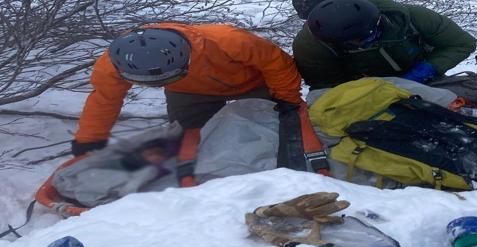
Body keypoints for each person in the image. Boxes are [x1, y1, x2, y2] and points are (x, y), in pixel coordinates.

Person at [72, 24, 304, 157]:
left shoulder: (227, 40)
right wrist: (89, 140)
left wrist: (286, 99)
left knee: (272, 125)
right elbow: (104, 100)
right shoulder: (115, 64)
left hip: (251, 83)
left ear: (187, 59)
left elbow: (277, 64)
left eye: (167, 78)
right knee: (187, 138)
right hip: (189, 92)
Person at [291, 0, 477, 90]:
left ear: (379, 20)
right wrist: (364, 94)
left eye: (366, 37)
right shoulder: (311, 46)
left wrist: (427, 69)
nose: (362, 44)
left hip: (427, 79)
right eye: (352, 43)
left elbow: (461, 43)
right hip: (364, 92)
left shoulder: (407, 17)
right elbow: (325, 86)